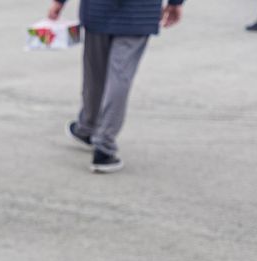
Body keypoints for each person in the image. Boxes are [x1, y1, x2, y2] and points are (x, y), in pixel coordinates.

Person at [52, 0, 183, 173]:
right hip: (138, 14)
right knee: (120, 76)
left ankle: (87, 127)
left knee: (94, 74)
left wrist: (58, 2)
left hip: (97, 11)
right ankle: (104, 146)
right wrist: (175, 3)